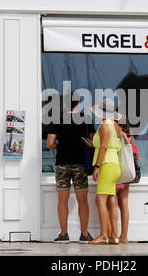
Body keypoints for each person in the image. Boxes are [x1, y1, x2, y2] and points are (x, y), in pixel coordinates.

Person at [46, 92, 95, 244]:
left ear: (65, 104)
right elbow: (93, 141)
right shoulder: (85, 119)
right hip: (80, 163)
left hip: (62, 163)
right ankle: (84, 234)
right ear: (78, 104)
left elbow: (49, 143)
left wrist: (60, 147)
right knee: (83, 200)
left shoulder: (57, 118)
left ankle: (63, 234)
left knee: (62, 200)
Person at [88, 98, 122, 244]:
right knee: (111, 200)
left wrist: (97, 166)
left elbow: (103, 146)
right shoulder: (116, 126)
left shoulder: (104, 126)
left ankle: (103, 235)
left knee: (100, 200)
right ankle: (114, 235)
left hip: (106, 164)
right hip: (115, 164)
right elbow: (117, 146)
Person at [108, 119, 139, 244]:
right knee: (124, 204)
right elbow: (136, 155)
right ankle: (124, 236)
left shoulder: (117, 136)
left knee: (110, 203)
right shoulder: (131, 138)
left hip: (117, 172)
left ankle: (112, 234)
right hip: (127, 173)